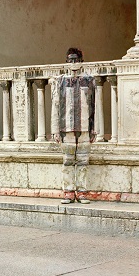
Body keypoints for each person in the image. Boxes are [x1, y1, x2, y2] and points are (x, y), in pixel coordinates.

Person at [51, 48, 96, 204]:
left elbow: (94, 106)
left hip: (84, 127)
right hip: (66, 128)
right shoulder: (60, 81)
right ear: (66, 61)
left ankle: (82, 192)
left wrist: (93, 129)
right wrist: (55, 130)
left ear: (81, 61)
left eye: (76, 60)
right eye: (70, 60)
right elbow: (55, 107)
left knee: (83, 161)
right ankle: (69, 192)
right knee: (68, 161)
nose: (73, 63)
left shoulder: (89, 80)